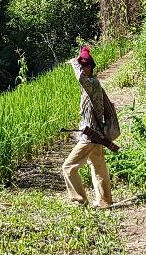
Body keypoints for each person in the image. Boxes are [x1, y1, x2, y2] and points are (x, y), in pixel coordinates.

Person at [62, 44, 115, 208]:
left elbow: (80, 78)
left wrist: (74, 63)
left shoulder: (92, 83)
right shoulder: (94, 84)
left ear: (89, 68)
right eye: (81, 65)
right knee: (98, 167)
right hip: (96, 136)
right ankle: (105, 201)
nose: (81, 68)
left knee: (68, 167)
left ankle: (79, 201)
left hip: (90, 137)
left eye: (84, 66)